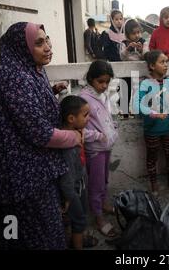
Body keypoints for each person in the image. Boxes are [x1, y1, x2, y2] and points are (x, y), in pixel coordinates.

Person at [0, 22, 83, 250]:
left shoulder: (31, 70)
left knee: (33, 231)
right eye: (39, 43)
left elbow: (30, 106)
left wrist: (52, 91)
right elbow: (40, 133)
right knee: (37, 234)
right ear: (22, 47)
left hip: (35, 172)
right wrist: (74, 137)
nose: (48, 47)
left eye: (47, 39)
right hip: (23, 179)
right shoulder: (15, 80)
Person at [133, 50, 169, 196]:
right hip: (151, 130)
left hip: (168, 128)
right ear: (151, 66)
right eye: (162, 62)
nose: (166, 65)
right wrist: (153, 113)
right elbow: (137, 105)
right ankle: (154, 183)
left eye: (166, 62)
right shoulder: (145, 84)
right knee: (152, 157)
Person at [79, 60, 118, 238]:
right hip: (95, 149)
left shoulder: (101, 95)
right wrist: (98, 136)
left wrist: (112, 129)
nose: (104, 86)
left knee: (104, 179)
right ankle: (98, 217)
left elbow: (104, 118)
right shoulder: (83, 99)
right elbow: (79, 130)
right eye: (100, 82)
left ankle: (102, 203)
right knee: (96, 184)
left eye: (107, 82)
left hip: (105, 146)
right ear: (90, 79)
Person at [59, 95, 98, 250]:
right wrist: (69, 196)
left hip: (79, 184)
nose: (89, 118)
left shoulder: (75, 132)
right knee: (79, 219)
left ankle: (78, 238)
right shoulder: (68, 145)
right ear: (71, 118)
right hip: (72, 190)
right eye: (85, 115)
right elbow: (66, 178)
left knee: (81, 215)